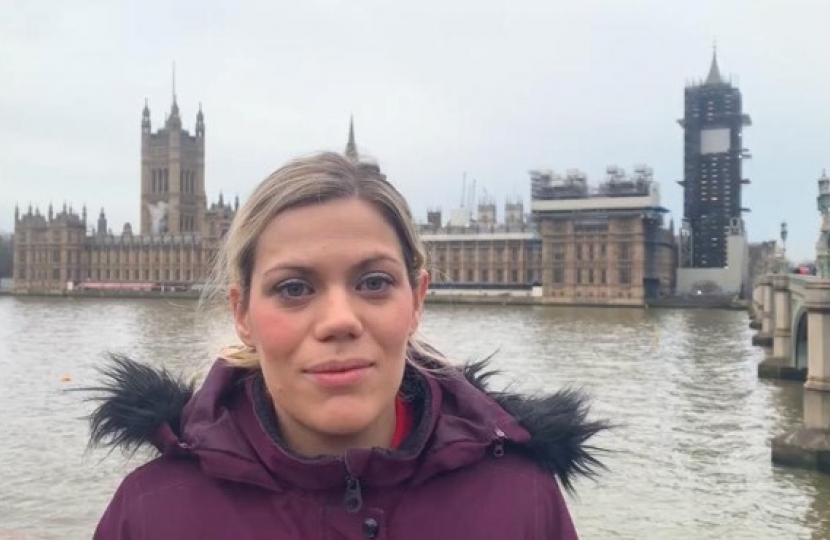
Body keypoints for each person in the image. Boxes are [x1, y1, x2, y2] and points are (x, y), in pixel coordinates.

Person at [88, 152, 609, 539]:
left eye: (374, 282)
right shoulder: (150, 513)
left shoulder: (522, 500)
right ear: (241, 312)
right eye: (294, 288)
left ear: (418, 298)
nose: (339, 320)